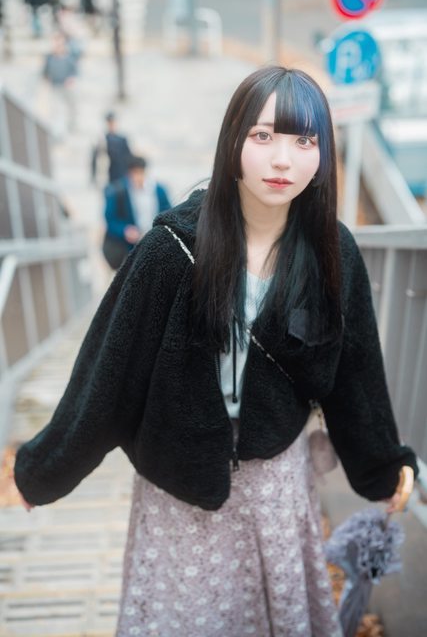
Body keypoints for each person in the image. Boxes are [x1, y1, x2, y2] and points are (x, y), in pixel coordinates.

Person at [14, 66, 418, 637]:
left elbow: (356, 376)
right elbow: (108, 374)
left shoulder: (333, 249)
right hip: (179, 491)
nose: (283, 160)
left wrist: (383, 469)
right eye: (263, 136)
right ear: (233, 141)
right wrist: (44, 472)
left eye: (305, 142)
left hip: (275, 486)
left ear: (324, 155)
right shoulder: (171, 248)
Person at [102, 155, 171, 270]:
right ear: (128, 173)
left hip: (155, 245)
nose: (138, 177)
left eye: (140, 173)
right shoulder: (117, 191)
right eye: (134, 173)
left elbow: (169, 214)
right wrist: (125, 230)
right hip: (129, 250)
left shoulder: (159, 191)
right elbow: (110, 221)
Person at [42, 31, 77, 138]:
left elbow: (74, 71)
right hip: (55, 86)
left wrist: (70, 80)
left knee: (71, 107)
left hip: (67, 87)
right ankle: (58, 131)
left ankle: (71, 127)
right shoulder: (49, 57)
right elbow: (45, 72)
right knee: (56, 110)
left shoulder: (69, 57)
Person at [91, 111, 133, 187]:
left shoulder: (122, 139)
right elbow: (95, 160)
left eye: (113, 122)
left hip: (122, 174)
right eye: (109, 122)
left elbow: (128, 157)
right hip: (109, 175)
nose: (111, 124)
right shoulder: (102, 140)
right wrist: (94, 176)